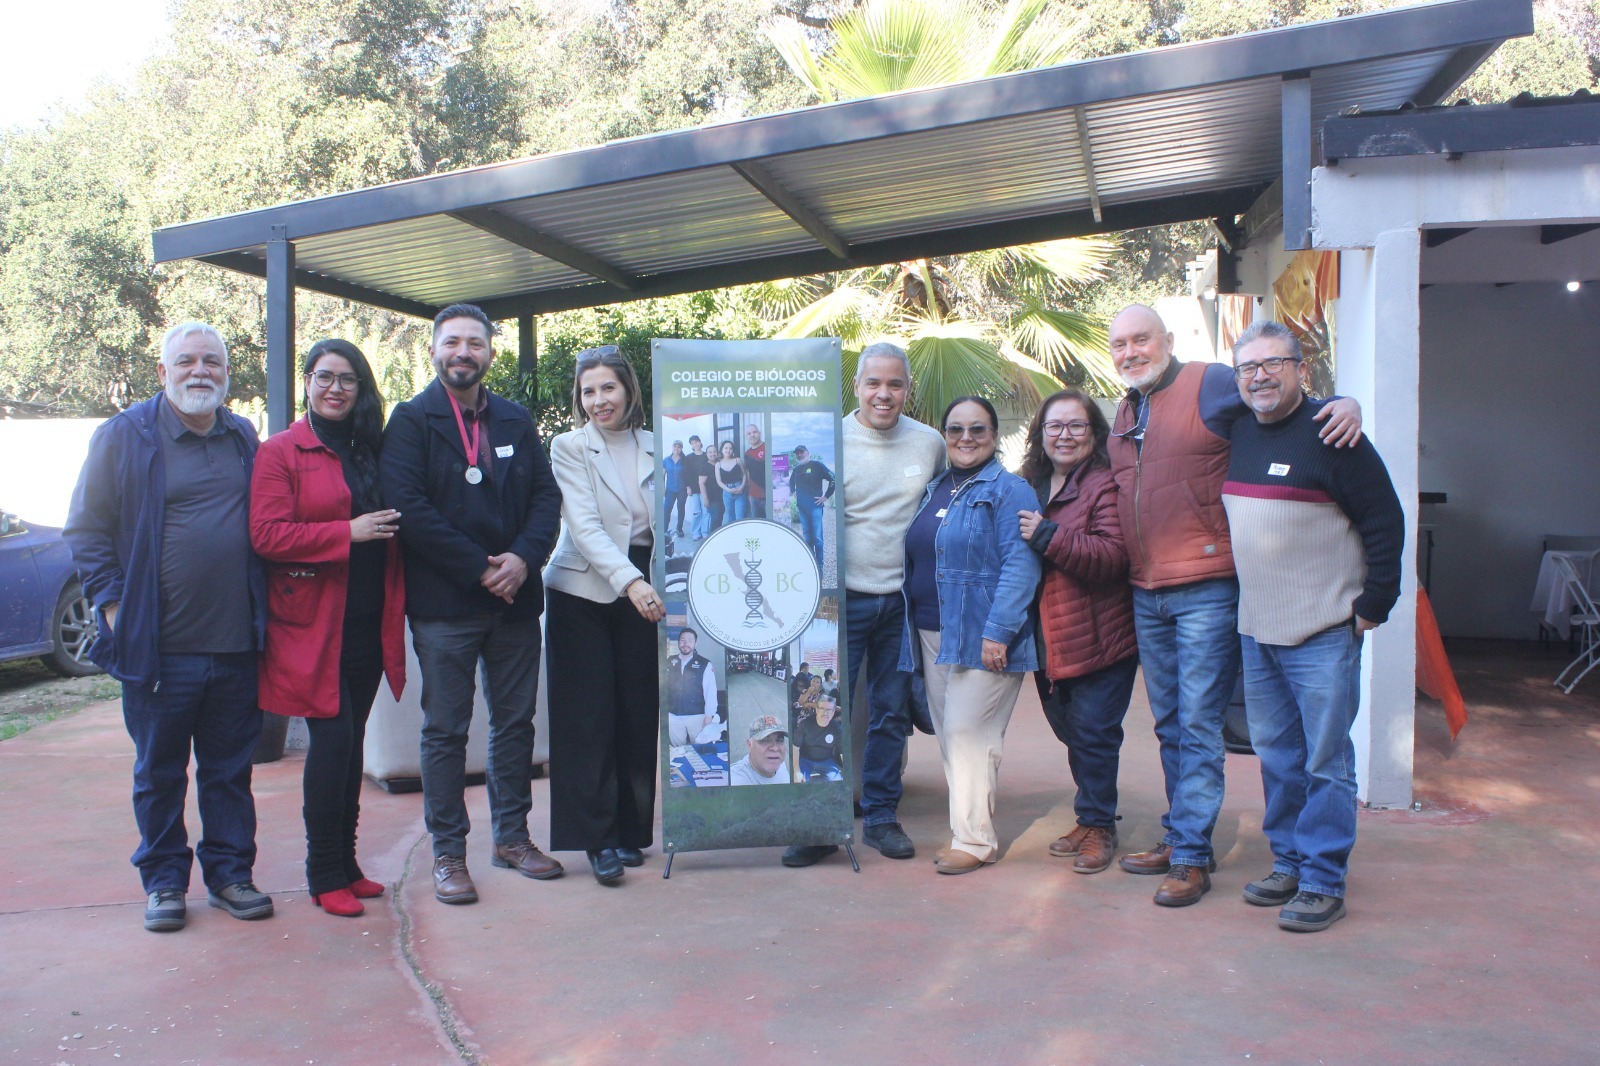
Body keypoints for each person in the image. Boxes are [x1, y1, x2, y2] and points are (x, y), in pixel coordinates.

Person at [1106, 304, 1361, 908]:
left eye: (1141, 339)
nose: (1130, 352)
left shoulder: (1211, 381)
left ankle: (1192, 856)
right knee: (1170, 723)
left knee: (1197, 723)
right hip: (1147, 590)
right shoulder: (1125, 410)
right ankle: (1183, 834)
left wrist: (1345, 402)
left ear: (1167, 341)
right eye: (1119, 344)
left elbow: (1278, 390)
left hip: (1208, 587)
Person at [64, 321, 274, 932]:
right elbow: (86, 528)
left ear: (227, 375)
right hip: (158, 650)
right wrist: (111, 607)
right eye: (186, 361)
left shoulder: (241, 436)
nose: (199, 371)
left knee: (229, 772)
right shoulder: (124, 437)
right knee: (159, 773)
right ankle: (163, 884)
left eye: (211, 361)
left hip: (235, 645)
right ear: (163, 372)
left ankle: (232, 875)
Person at [1221, 321, 1404, 932]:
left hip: (1324, 629)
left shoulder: (1335, 434)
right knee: (1276, 756)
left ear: (1302, 369)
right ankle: (1290, 863)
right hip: (1258, 628)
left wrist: (1376, 602)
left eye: (1274, 363)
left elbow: (1385, 519)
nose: (1260, 376)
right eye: (1248, 367)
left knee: (1326, 760)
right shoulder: (1237, 427)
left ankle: (1324, 879)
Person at [379, 303, 564, 905]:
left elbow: (545, 498)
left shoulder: (514, 419)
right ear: (434, 350)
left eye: (475, 343)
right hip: (445, 606)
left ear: (490, 352)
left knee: (515, 724)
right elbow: (408, 508)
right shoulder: (411, 421)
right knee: (445, 732)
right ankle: (447, 854)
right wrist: (478, 567)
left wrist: (522, 560)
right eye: (452, 342)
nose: (464, 352)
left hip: (513, 600)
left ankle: (512, 838)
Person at [249, 339, 408, 918]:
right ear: (307, 383)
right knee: (333, 742)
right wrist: (348, 532)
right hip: (312, 627)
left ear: (361, 389)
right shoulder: (281, 452)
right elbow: (266, 534)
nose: (335, 388)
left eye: (348, 379)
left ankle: (349, 864)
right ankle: (322, 873)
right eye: (324, 377)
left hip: (368, 622)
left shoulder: (371, 449)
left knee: (350, 745)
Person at [782, 342, 943, 868]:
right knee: (819, 709)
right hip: (837, 600)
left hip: (898, 601)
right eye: (874, 383)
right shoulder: (832, 439)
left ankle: (879, 817)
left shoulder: (930, 444)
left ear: (907, 388)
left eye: (895, 384)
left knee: (890, 713)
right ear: (856, 386)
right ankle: (819, 823)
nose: (884, 394)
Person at [900, 396, 1041, 874]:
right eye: (956, 429)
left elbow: (1021, 565)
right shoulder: (937, 486)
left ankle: (975, 841)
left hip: (985, 635)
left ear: (994, 436)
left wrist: (1000, 631)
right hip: (931, 632)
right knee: (952, 737)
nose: (965, 438)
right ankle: (969, 826)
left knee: (969, 734)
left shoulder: (1010, 491)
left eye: (977, 430)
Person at [543, 345, 663, 886]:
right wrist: (631, 582)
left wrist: (649, 582)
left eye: (608, 388)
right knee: (587, 718)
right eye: (588, 391)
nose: (599, 401)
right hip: (584, 589)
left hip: (648, 583)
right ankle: (596, 840)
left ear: (628, 389)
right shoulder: (569, 447)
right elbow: (586, 527)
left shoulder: (661, 446)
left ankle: (629, 830)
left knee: (637, 710)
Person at [1015, 390, 1137, 876]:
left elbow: (1111, 557)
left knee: (1095, 733)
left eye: (1075, 426)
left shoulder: (1105, 485)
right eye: (1054, 426)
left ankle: (1100, 826)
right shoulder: (1030, 486)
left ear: (1094, 433)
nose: (1064, 435)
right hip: (1050, 637)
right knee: (1073, 732)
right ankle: (1089, 818)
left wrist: (1046, 534)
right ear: (1040, 435)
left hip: (1099, 634)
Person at [667, 627, 723, 746]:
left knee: (700, 749)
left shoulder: (704, 664)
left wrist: (709, 716)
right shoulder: (669, 661)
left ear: (695, 643)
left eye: (690, 640)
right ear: (678, 642)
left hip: (697, 717)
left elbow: (710, 692)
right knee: (678, 751)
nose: (685, 644)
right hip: (673, 716)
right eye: (682, 640)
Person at [788, 444, 835, 569]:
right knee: (807, 538)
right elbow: (791, 483)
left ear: (807, 453)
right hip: (802, 508)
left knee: (818, 539)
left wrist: (826, 496)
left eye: (801, 452)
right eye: (797, 453)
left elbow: (833, 478)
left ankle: (820, 568)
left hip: (815, 508)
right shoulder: (796, 469)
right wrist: (794, 494)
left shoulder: (817, 465)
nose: (799, 455)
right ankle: (811, 566)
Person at [731, 716, 793, 785]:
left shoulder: (778, 761)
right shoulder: (737, 779)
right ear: (749, 745)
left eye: (779, 740)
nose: (775, 748)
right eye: (765, 740)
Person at [794, 697, 845, 781]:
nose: (825, 712)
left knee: (837, 781)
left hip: (826, 761)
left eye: (829, 710)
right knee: (799, 781)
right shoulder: (805, 724)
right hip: (805, 760)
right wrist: (796, 771)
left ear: (833, 713)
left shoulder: (836, 728)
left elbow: (841, 751)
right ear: (817, 710)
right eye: (822, 708)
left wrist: (847, 770)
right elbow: (795, 747)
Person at [683, 435, 712, 539]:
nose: (695, 444)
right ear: (691, 445)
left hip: (706, 489)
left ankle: (705, 531)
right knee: (696, 512)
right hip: (693, 488)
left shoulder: (706, 455)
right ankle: (696, 532)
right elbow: (685, 473)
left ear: (700, 442)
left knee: (706, 512)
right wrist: (688, 487)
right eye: (692, 443)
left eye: (697, 442)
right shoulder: (688, 457)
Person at [714, 440, 750, 523]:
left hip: (740, 490)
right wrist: (728, 490)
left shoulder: (738, 460)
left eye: (730, 448)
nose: (728, 450)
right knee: (730, 517)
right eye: (726, 448)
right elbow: (719, 481)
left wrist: (742, 487)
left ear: (733, 450)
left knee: (740, 517)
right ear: (722, 449)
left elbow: (744, 474)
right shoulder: (718, 464)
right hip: (727, 492)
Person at [663, 440, 687, 538]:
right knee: (666, 509)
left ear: (681, 448)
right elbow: (662, 475)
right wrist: (663, 488)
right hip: (670, 490)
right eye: (675, 446)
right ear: (672, 447)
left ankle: (679, 528)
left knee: (681, 509)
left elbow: (688, 475)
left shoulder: (684, 460)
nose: (676, 449)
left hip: (682, 489)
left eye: (679, 447)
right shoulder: (666, 460)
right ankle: (664, 530)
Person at [744, 422, 767, 518]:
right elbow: (748, 473)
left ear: (760, 433)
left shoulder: (767, 447)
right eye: (749, 433)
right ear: (746, 436)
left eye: (754, 432)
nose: (752, 435)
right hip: (753, 496)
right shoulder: (747, 453)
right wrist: (750, 494)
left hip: (767, 496)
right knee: (758, 525)